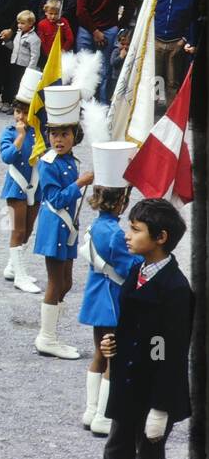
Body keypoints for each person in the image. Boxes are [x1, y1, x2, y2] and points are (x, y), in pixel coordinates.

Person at [99, 199, 192, 459]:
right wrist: (114, 345)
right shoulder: (138, 271)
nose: (128, 235)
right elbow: (130, 325)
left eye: (136, 230)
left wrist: (161, 407)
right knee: (117, 457)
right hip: (128, 387)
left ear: (161, 237)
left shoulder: (176, 290)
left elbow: (170, 353)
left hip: (154, 392)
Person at [78, 146, 141, 439]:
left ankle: (91, 410)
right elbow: (129, 267)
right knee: (113, 359)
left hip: (95, 299)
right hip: (112, 301)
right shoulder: (116, 234)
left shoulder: (96, 226)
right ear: (121, 203)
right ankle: (104, 416)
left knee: (98, 355)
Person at [32, 90, 93, 359]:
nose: (58, 139)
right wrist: (80, 184)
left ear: (74, 136)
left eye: (64, 134)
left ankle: (52, 326)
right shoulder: (48, 163)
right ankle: (47, 337)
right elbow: (55, 198)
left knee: (67, 282)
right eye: (54, 134)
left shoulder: (70, 160)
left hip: (67, 227)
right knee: (56, 282)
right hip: (54, 226)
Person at [0, 75, 42, 292]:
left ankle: (13, 267)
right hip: (16, 186)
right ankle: (20, 276)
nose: (21, 116)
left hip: (36, 186)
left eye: (26, 112)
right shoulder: (9, 132)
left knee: (28, 229)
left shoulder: (40, 134)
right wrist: (19, 137)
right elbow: (6, 157)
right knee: (17, 230)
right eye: (18, 111)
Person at [76, 0, 129, 104]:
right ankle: (82, 106)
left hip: (109, 30)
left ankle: (104, 107)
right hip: (87, 30)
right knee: (84, 69)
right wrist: (95, 31)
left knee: (105, 71)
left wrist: (119, 26)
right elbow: (81, 11)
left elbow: (129, 6)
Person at [153, 0, 197, 104]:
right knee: (154, 79)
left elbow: (192, 21)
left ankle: (171, 116)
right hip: (156, 41)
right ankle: (150, 114)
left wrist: (184, 40)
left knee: (173, 82)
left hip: (176, 43)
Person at [4, 10, 42, 111]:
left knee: (21, 86)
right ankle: (13, 104)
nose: (19, 25)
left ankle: (20, 106)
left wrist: (30, 70)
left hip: (24, 66)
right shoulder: (18, 34)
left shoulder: (34, 39)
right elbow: (14, 47)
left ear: (30, 24)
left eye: (22, 23)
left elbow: (35, 56)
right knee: (13, 84)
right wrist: (6, 41)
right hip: (15, 63)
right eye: (18, 23)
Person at [36, 0, 75, 67]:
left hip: (62, 55)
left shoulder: (63, 22)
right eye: (50, 13)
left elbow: (70, 38)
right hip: (47, 55)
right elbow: (42, 41)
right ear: (46, 12)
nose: (53, 16)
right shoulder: (41, 24)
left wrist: (63, 50)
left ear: (60, 13)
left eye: (56, 14)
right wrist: (49, 54)